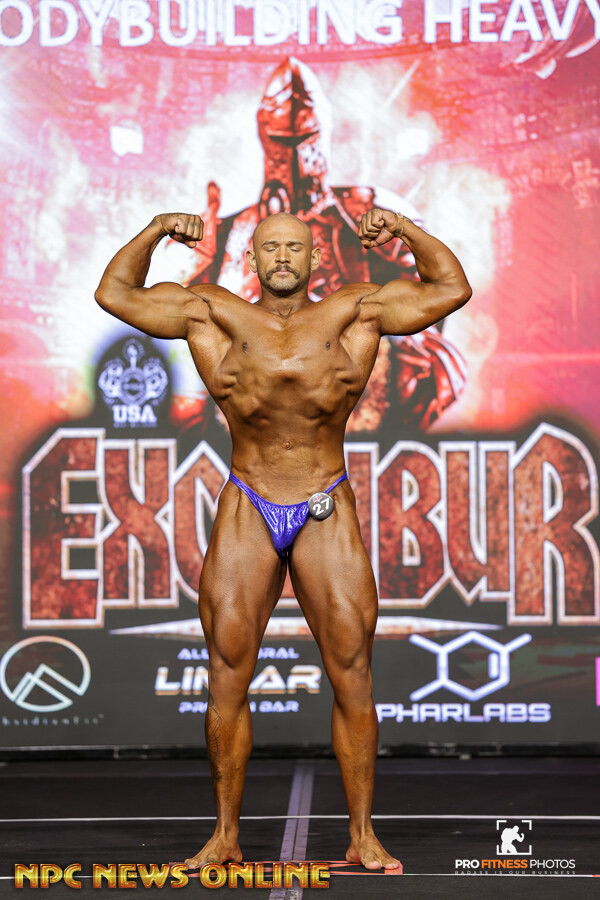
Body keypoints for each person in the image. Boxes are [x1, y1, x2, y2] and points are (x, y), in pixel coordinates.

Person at [95, 206, 472, 870]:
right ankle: (224, 836)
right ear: (252, 259)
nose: (282, 257)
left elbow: (450, 289)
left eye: (295, 247)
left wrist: (406, 228)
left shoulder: (356, 312)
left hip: (325, 501)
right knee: (227, 673)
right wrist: (155, 230)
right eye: (270, 247)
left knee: (352, 672)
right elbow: (115, 294)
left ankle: (362, 836)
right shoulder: (211, 313)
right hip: (249, 498)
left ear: (315, 257)